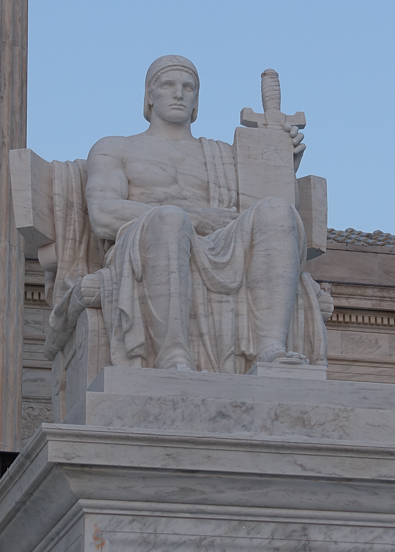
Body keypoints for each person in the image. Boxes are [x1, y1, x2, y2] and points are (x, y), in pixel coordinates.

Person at [76, 54, 327, 373]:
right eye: (167, 85)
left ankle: (269, 348)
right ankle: (173, 355)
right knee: (170, 219)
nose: (178, 93)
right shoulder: (116, 148)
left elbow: (259, 219)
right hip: (147, 246)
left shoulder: (225, 155)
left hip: (221, 249)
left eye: (188, 87)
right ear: (149, 97)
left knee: (278, 210)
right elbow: (102, 213)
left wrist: (280, 164)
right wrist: (196, 217)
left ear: (197, 100)